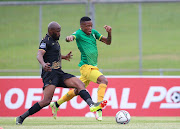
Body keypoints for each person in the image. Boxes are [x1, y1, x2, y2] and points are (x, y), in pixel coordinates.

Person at [15, 21, 107, 125]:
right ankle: (21, 117)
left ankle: (92, 105)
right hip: (50, 74)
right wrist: (43, 64)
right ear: (51, 31)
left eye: (60, 31)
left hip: (59, 73)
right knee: (46, 101)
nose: (59, 33)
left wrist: (63, 57)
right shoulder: (46, 41)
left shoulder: (54, 40)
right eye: (57, 31)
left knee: (79, 84)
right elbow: (39, 54)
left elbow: (53, 54)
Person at [50, 16, 112, 121]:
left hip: (92, 67)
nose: (90, 28)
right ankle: (98, 110)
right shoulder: (78, 33)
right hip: (87, 67)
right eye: (87, 26)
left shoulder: (94, 33)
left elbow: (108, 42)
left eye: (91, 25)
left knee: (77, 90)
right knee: (103, 80)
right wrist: (69, 38)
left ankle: (56, 104)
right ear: (81, 26)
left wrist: (109, 33)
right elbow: (71, 37)